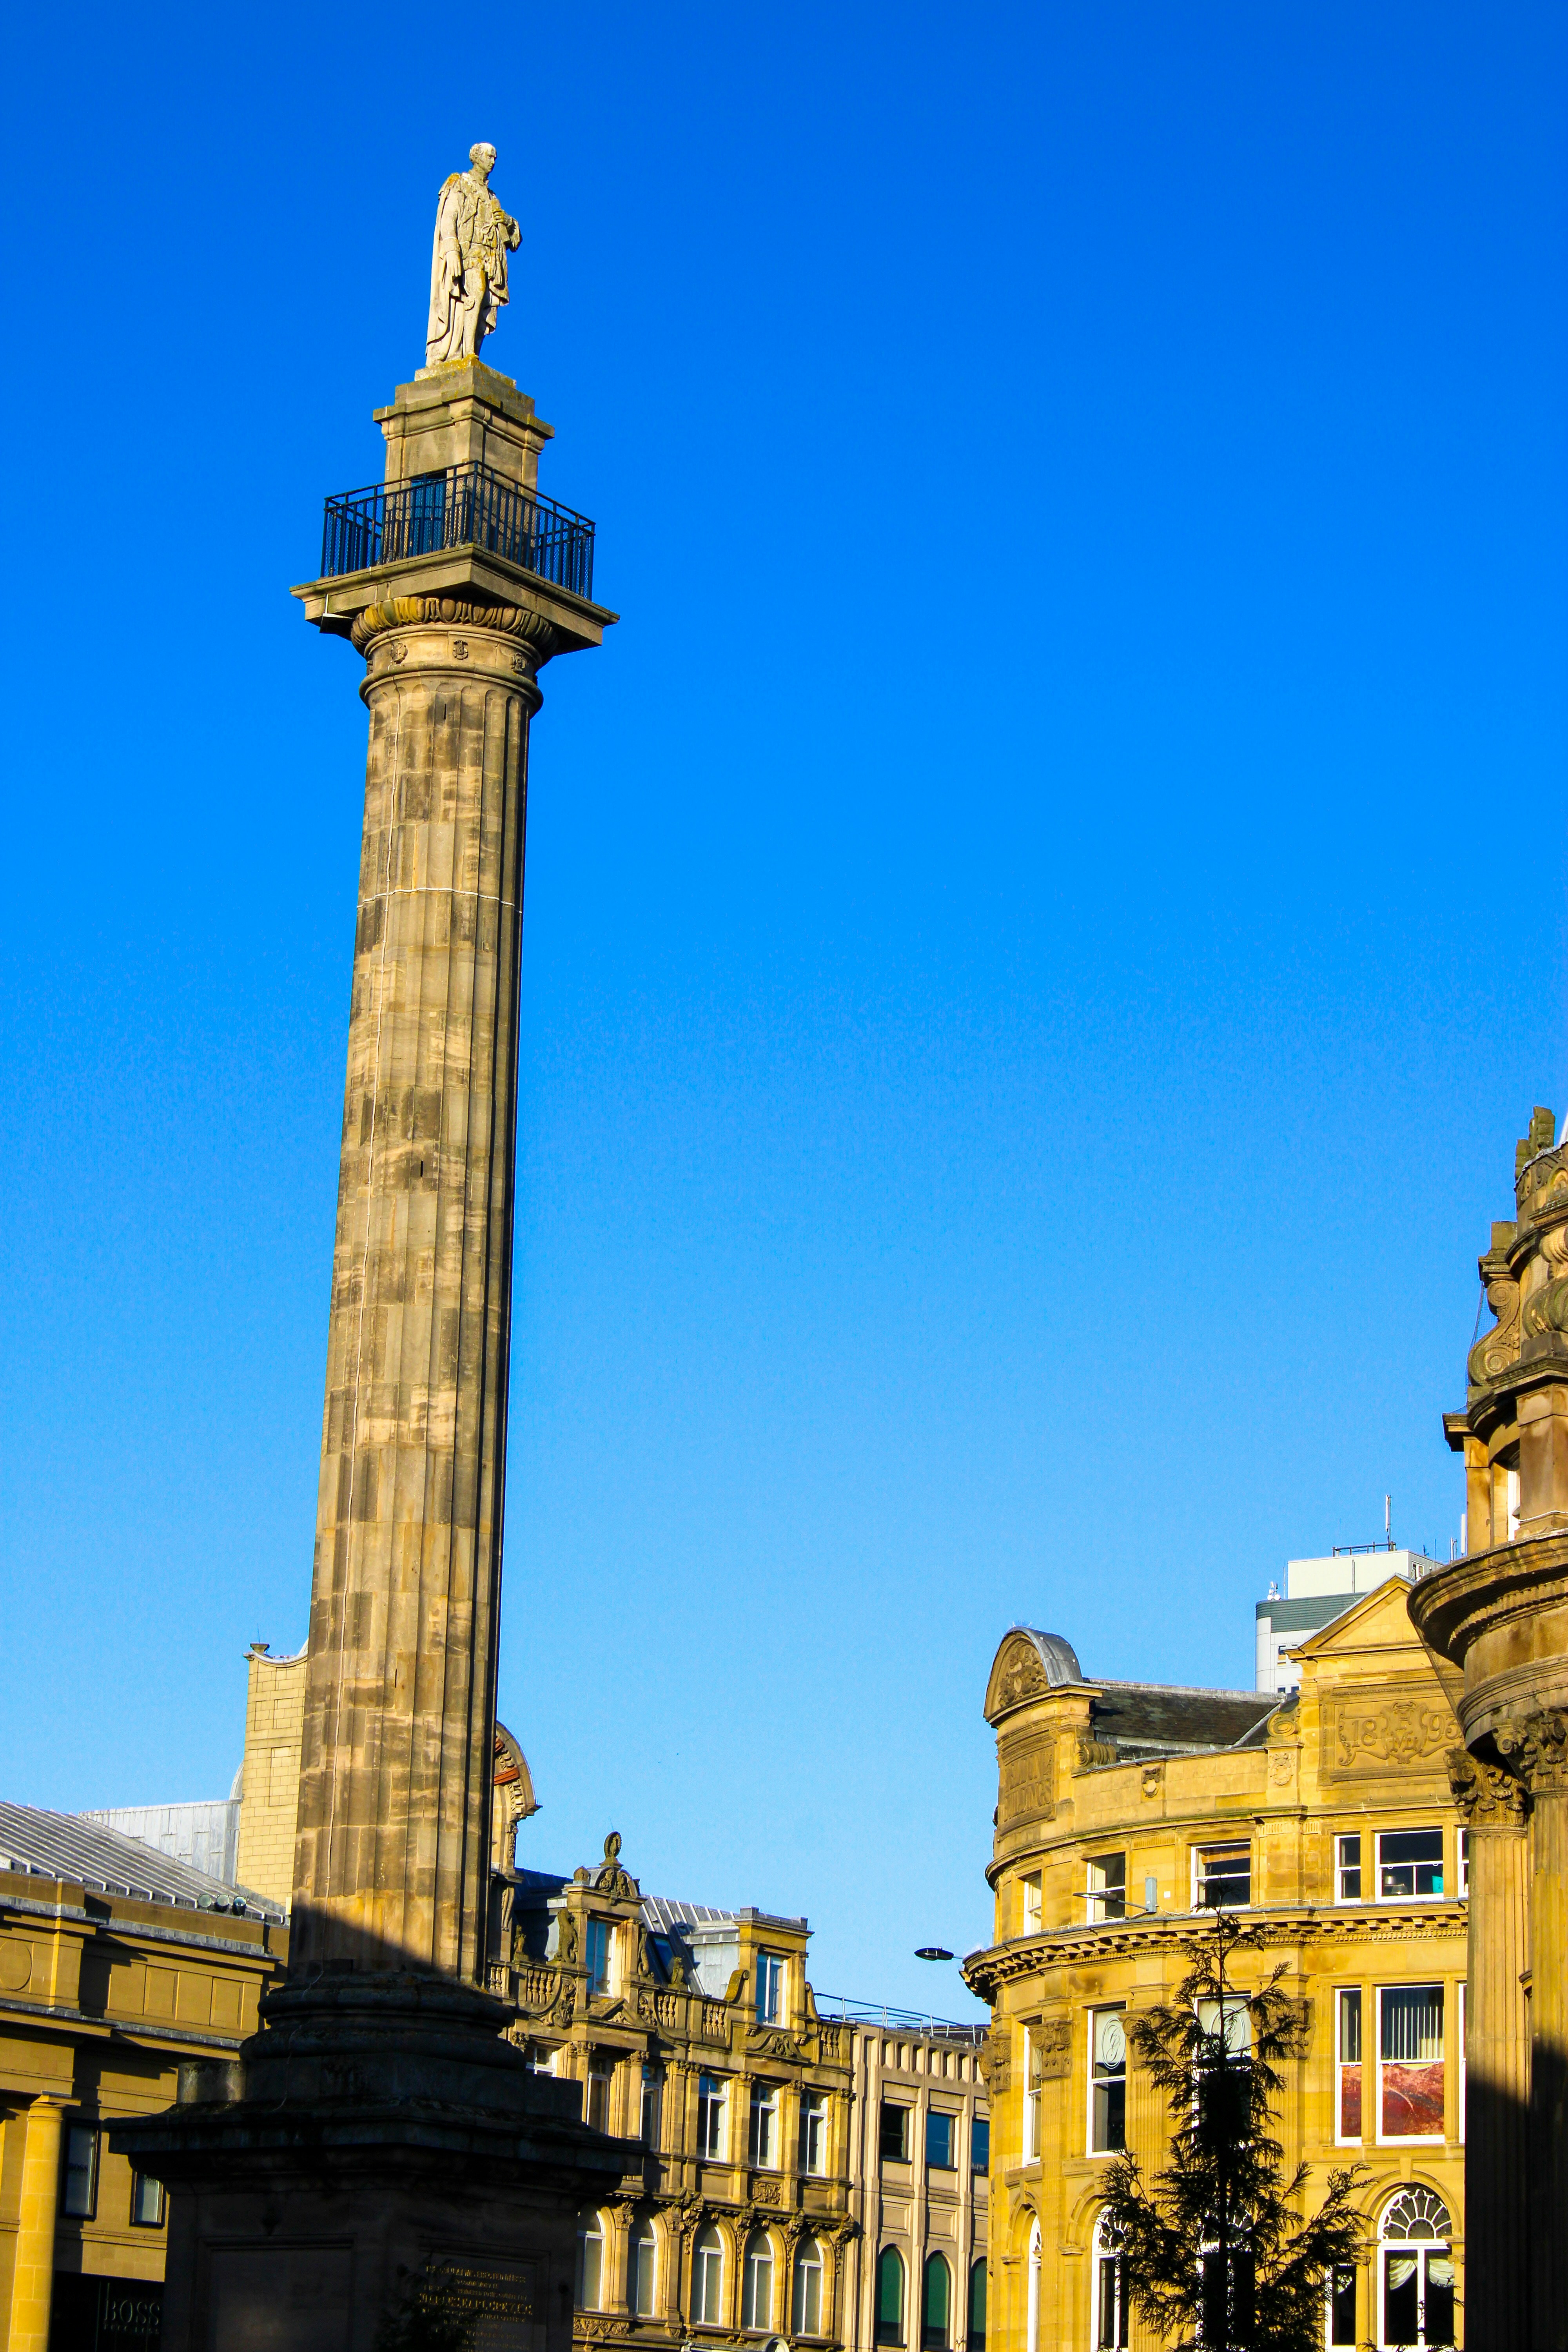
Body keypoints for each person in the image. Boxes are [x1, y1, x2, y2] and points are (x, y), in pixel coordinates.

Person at [425, 143, 521, 367]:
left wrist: (506, 221)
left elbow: (514, 237)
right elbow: (449, 218)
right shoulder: (460, 183)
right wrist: (451, 251)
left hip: (491, 259)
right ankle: (467, 353)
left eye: (495, 158)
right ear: (477, 158)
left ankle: (472, 350)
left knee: (485, 303)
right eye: (489, 156)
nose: (493, 162)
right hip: (469, 254)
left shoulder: (492, 197)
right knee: (475, 293)